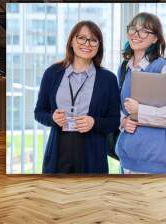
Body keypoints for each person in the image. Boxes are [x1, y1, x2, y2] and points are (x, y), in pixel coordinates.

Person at [34, 21, 120, 174]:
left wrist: (94, 122)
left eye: (93, 40)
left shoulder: (108, 79)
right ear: (71, 42)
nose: (87, 43)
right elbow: (39, 112)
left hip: (93, 154)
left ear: (99, 46)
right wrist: (52, 118)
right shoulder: (52, 74)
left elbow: (114, 121)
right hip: (58, 151)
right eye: (81, 38)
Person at [115, 12, 166, 174]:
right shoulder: (124, 68)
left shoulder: (161, 68)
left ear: (155, 39)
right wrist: (124, 121)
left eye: (144, 31)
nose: (136, 34)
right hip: (128, 158)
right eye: (133, 29)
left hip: (155, 163)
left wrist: (140, 111)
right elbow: (120, 107)